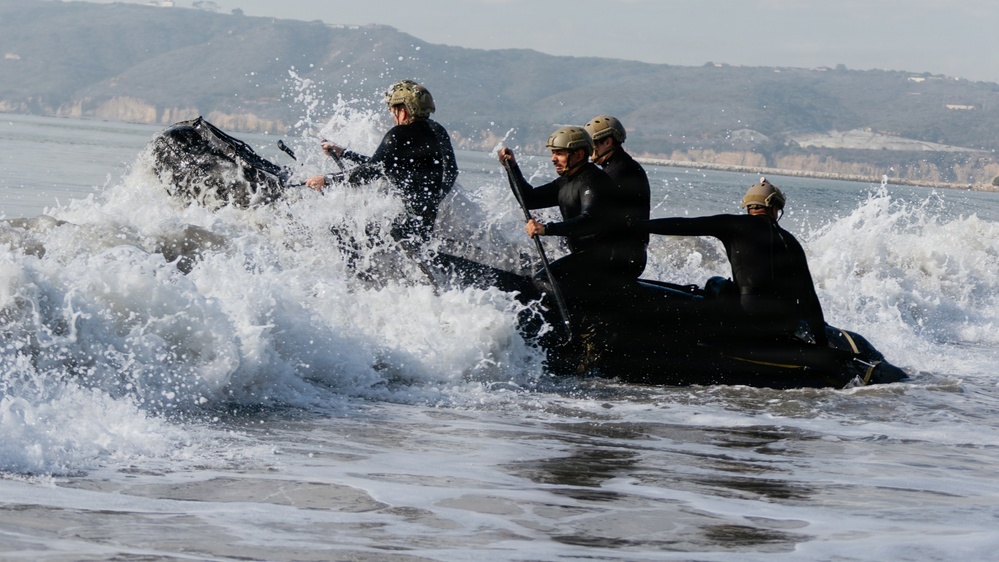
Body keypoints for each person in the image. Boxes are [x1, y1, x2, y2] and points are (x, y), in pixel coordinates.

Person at [631, 177, 828, 346]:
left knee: (716, 284)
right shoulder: (791, 242)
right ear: (774, 208)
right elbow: (809, 296)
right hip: (783, 325)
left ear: (749, 206)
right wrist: (822, 344)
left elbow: (684, 224)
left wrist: (638, 226)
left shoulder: (734, 225)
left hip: (748, 321)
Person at [306, 80, 459, 244]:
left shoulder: (399, 134)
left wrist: (326, 180)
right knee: (418, 238)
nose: (393, 116)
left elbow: (370, 172)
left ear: (403, 111)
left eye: (393, 110)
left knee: (340, 226)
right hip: (425, 223)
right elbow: (450, 171)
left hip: (399, 226)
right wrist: (344, 153)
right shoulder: (436, 131)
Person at [583, 115, 650, 276]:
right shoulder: (622, 166)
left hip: (619, 259)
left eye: (591, 144)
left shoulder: (617, 173)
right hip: (629, 255)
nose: (588, 150)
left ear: (607, 142)